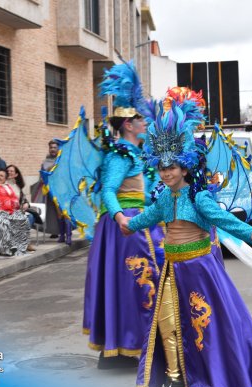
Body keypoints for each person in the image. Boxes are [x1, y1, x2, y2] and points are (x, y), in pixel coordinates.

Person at [123, 100, 252, 387]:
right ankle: (174, 378)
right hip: (171, 271)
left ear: (184, 168)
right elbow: (146, 217)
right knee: (168, 325)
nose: (166, 173)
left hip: (200, 271)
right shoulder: (166, 199)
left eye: (171, 168)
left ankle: (209, 379)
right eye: (161, 168)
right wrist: (124, 221)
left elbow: (229, 221)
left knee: (204, 329)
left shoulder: (200, 199)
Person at [82, 62, 165, 370]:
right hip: (127, 228)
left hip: (136, 222)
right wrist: (121, 219)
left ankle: (129, 345)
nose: (144, 122)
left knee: (134, 283)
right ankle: (131, 345)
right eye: (140, 118)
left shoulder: (135, 153)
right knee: (139, 281)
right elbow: (107, 190)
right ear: (128, 125)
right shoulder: (120, 154)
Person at [0, 168, 31, 257]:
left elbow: (14, 199)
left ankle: (18, 247)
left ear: (5, 178)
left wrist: (15, 206)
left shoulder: (7, 186)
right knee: (3, 222)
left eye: (1, 176)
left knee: (23, 219)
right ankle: (3, 250)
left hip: (9, 210)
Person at [36, 140, 66, 240]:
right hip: (50, 190)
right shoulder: (45, 162)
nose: (52, 149)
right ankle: (55, 231)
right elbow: (41, 176)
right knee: (52, 213)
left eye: (54, 147)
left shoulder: (63, 160)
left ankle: (65, 232)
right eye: (51, 147)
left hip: (62, 190)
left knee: (64, 212)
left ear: (58, 149)